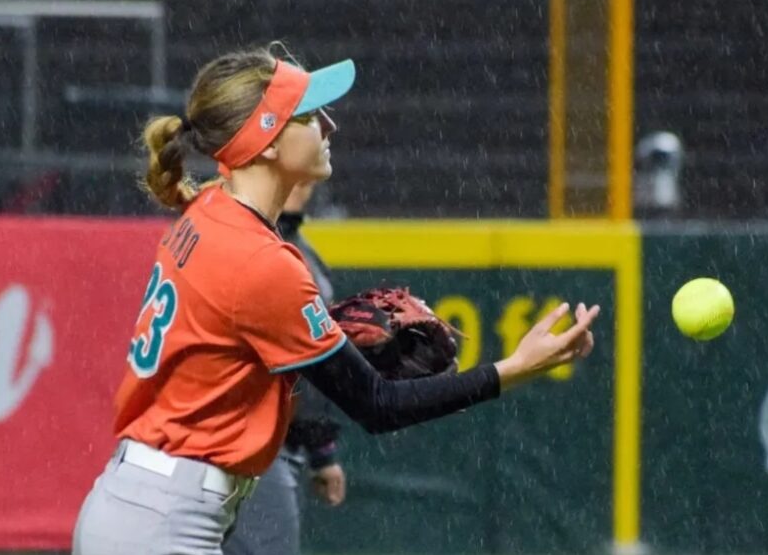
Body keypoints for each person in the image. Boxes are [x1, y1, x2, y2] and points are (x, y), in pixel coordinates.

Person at [70, 44, 600, 555]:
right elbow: (378, 406)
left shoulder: (211, 209)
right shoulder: (260, 261)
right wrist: (512, 370)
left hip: (146, 503)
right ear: (268, 141)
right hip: (165, 522)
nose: (328, 126)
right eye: (306, 114)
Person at [222, 181, 346, 555]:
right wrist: (322, 450)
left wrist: (321, 449)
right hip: (251, 439)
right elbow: (305, 367)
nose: (303, 186)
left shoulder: (297, 249)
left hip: (265, 441)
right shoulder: (261, 250)